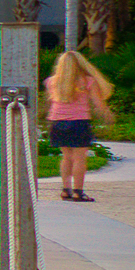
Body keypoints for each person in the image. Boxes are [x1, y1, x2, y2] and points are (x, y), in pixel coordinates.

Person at [44, 45, 110, 200]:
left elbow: (51, 101)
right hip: (79, 122)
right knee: (80, 158)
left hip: (57, 122)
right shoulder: (87, 81)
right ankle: (78, 192)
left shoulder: (51, 82)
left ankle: (65, 189)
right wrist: (107, 114)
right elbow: (98, 103)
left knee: (66, 157)